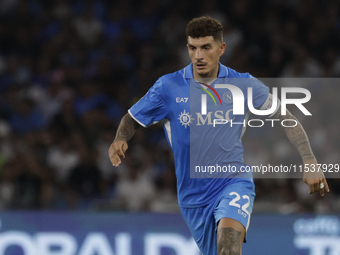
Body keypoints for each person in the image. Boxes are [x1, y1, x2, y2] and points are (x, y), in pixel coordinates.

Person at [109, 16, 329, 255]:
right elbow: (132, 119)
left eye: (206, 47)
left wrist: (309, 161)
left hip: (233, 181)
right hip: (192, 196)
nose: (198, 56)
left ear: (221, 48)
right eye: (193, 48)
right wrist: (120, 137)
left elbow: (286, 118)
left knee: (228, 250)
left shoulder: (244, 84)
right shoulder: (168, 87)